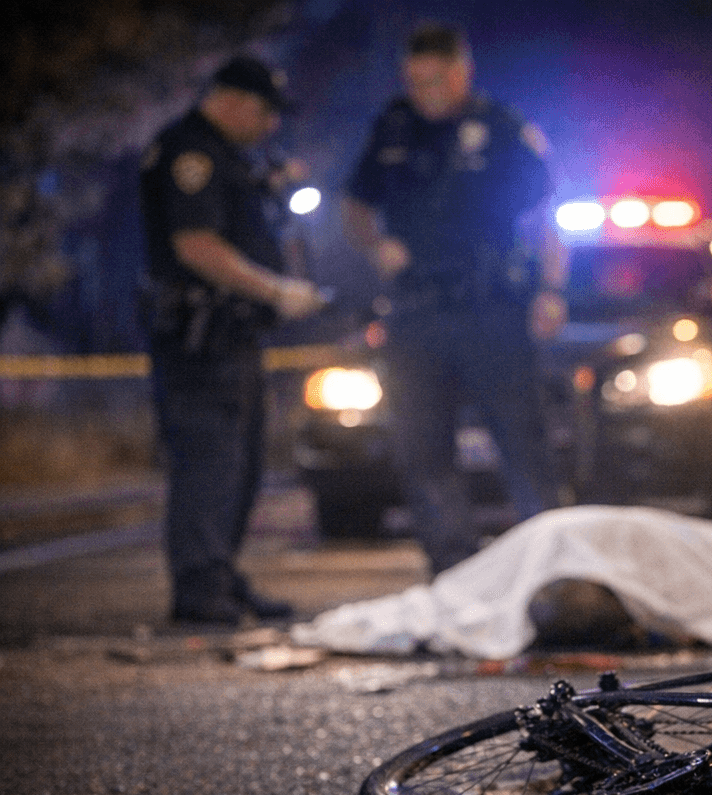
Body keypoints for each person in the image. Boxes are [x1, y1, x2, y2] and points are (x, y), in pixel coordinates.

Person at [343, 22, 566, 576]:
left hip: (492, 308)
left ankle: (551, 569)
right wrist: (377, 246)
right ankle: (455, 572)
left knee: (523, 444)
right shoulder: (393, 128)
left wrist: (551, 290)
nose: (427, 92)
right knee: (421, 448)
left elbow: (544, 217)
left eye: (437, 79)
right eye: (416, 81)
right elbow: (354, 203)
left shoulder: (501, 129)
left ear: (462, 71)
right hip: (417, 311)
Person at [139, 55, 328, 625]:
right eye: (267, 112)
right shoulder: (190, 151)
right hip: (201, 337)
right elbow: (195, 244)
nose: (271, 125)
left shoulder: (229, 155)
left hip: (231, 334)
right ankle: (199, 585)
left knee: (239, 463)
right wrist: (274, 290)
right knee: (209, 460)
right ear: (237, 100)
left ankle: (218, 573)